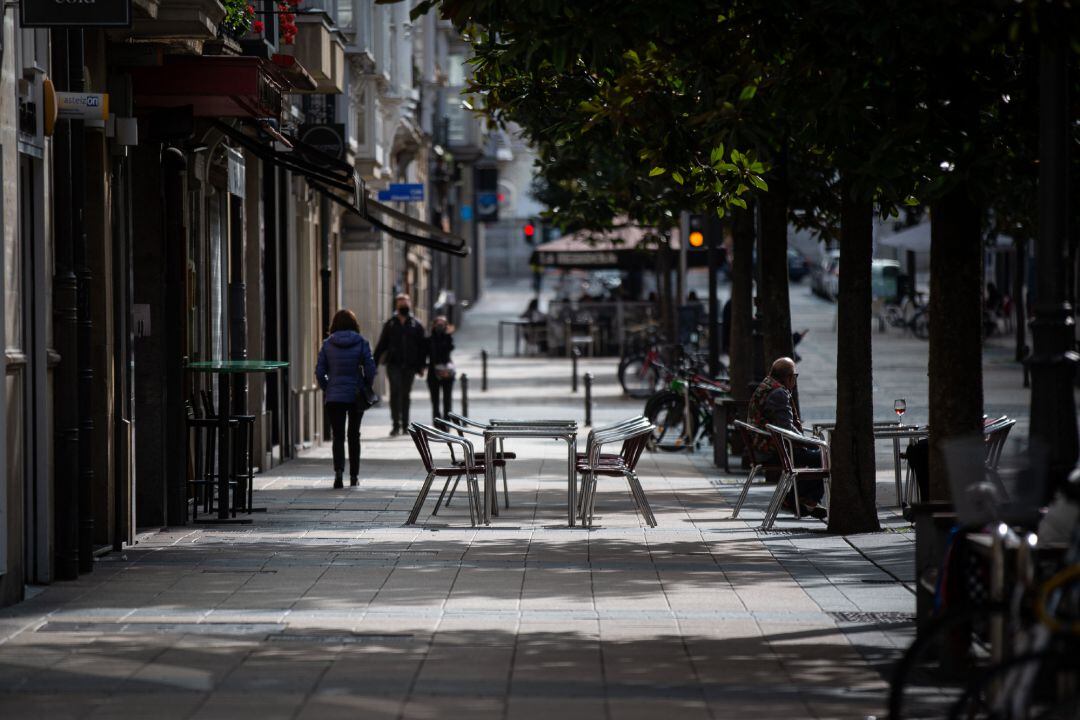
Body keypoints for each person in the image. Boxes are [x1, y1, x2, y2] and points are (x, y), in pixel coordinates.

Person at [746, 357, 827, 519]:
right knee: (824, 457)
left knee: (815, 452)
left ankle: (802, 501)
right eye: (795, 376)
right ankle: (800, 500)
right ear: (789, 377)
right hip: (773, 450)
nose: (795, 380)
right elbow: (786, 429)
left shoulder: (766, 385)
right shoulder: (779, 393)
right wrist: (810, 442)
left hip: (766, 446)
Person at [315, 309, 376, 489]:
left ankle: (338, 473)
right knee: (354, 435)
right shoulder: (362, 342)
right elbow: (370, 368)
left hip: (334, 396)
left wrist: (328, 387)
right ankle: (354, 476)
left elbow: (320, 372)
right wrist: (365, 384)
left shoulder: (327, 344)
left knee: (338, 436)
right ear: (354, 324)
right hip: (356, 395)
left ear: (334, 324)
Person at [373, 293, 427, 436]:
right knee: (395, 393)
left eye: (405, 303)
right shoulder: (390, 324)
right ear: (396, 305)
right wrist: (374, 363)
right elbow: (381, 345)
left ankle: (405, 425)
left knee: (405, 395)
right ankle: (396, 424)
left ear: (409, 304)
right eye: (400, 303)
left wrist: (422, 366)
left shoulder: (416, 324)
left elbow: (423, 347)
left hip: (410, 365)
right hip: (393, 364)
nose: (403, 305)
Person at [426, 316, 455, 420]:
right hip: (433, 373)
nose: (440, 326)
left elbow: (449, 348)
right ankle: (437, 422)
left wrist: (448, 334)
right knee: (435, 401)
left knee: (447, 400)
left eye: (442, 324)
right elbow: (425, 354)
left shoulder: (448, 338)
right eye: (438, 324)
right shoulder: (429, 339)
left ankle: (447, 423)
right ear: (434, 326)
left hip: (447, 372)